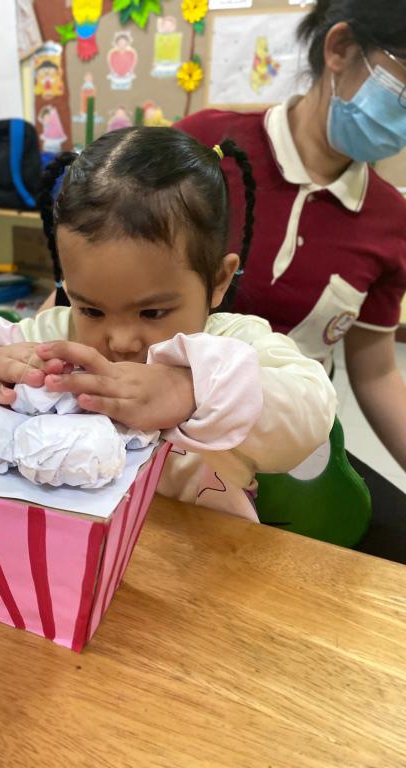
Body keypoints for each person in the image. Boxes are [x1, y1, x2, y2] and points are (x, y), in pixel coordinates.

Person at [0, 127, 335, 519]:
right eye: (91, 310)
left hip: (202, 554)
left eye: (152, 313)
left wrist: (190, 388)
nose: (120, 341)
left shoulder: (235, 343)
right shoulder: (59, 337)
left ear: (218, 281)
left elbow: (311, 412)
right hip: (73, 546)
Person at [175, 0, 406, 555]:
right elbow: (95, 288)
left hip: (292, 447)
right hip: (171, 433)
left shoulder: (390, 220)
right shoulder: (205, 149)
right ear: (340, 49)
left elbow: (375, 372)